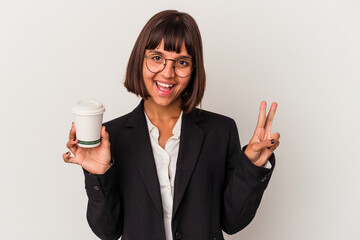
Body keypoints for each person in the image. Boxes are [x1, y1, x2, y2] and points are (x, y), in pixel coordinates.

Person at [63, 10, 280, 240]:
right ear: (140, 59)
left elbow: (232, 222)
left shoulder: (220, 131)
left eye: (182, 62)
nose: (168, 73)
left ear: (193, 70)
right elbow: (107, 231)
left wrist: (252, 165)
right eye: (157, 57)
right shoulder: (111, 137)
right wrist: (99, 174)